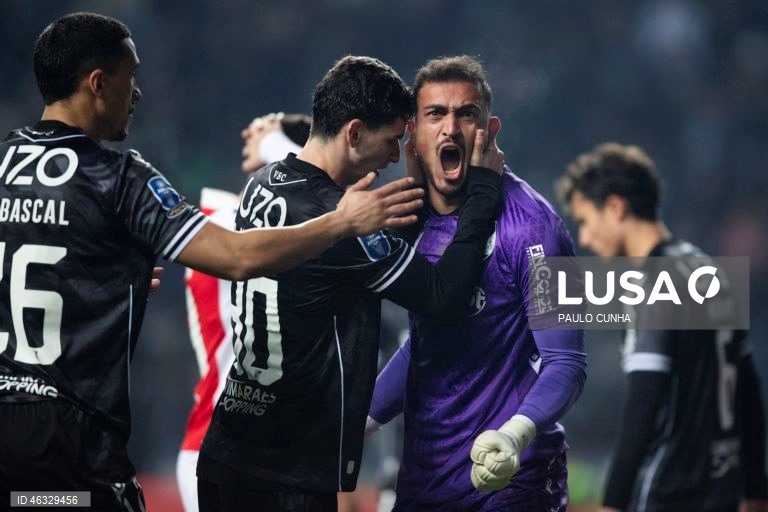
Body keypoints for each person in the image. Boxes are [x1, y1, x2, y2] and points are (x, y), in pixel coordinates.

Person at [0, 13, 423, 511]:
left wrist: (98, 287)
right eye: (130, 78)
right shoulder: (118, 179)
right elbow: (239, 257)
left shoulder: (5, 160)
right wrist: (344, 222)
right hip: (73, 444)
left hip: (10, 438)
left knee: (31, 505)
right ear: (98, 83)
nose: (136, 94)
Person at [196, 54, 505, 512]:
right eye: (390, 141)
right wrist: (482, 190)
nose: (393, 157)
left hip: (226, 453)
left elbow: (347, 269)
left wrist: (417, 198)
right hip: (286, 476)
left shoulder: (265, 182)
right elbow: (443, 296)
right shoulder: (339, 223)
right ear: (355, 132)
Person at [366, 56, 587, 511]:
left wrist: (514, 435)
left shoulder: (535, 227)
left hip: (512, 480)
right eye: (435, 114)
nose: (451, 128)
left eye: (466, 114)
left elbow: (565, 361)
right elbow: (421, 345)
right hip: (425, 478)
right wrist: (362, 419)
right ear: (414, 133)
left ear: (490, 130)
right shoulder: (411, 217)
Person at [555, 142, 768, 512]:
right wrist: (755, 488)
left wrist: (613, 501)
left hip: (668, 490)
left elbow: (645, 400)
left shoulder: (651, 281)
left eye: (586, 221)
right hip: (724, 491)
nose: (585, 238)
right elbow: (747, 389)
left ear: (616, 208)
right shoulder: (706, 267)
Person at [177, 112, 309, 512]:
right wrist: (278, 144)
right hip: (232, 442)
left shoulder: (212, 226)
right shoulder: (299, 236)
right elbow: (317, 204)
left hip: (241, 441)